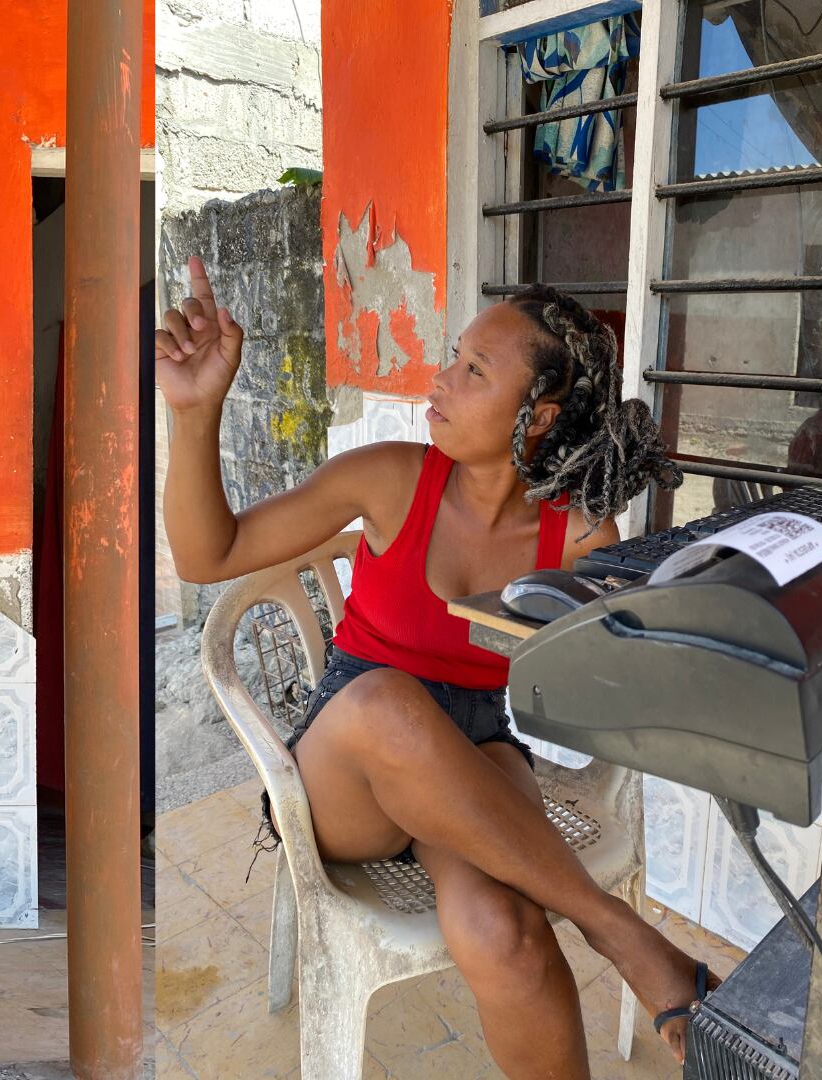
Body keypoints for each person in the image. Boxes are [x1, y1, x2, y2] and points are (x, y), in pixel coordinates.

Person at [159, 258, 715, 1075]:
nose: (441, 380)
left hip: (479, 746)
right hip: (350, 767)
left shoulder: (582, 539)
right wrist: (196, 412)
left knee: (510, 937)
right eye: (455, 357)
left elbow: (608, 685)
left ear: (538, 415)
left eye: (473, 370)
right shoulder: (391, 478)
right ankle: (620, 931)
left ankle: (593, 934)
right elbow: (210, 555)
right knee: (389, 702)